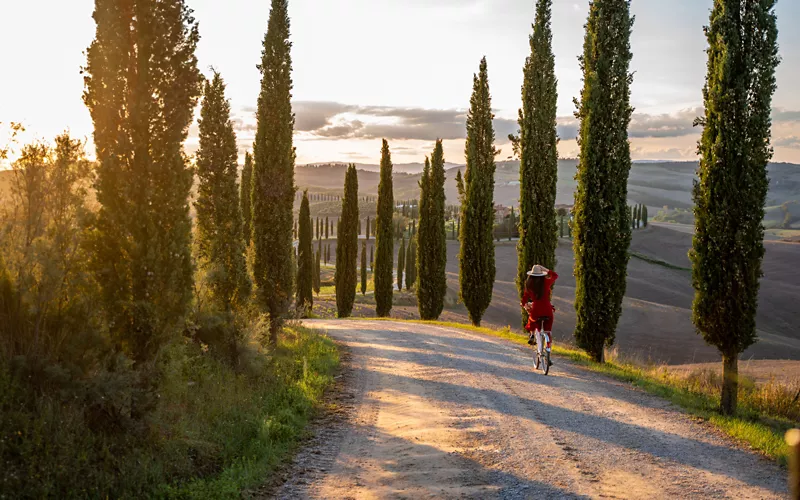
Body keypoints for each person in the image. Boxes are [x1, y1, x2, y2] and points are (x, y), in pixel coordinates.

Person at [521, 264, 558, 359]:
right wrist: (545, 269)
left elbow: (524, 299)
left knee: (532, 318)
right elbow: (555, 275)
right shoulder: (546, 282)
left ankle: (533, 335)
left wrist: (525, 306)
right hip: (547, 310)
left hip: (536, 310)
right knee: (548, 330)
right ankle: (548, 348)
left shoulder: (529, 285)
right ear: (541, 274)